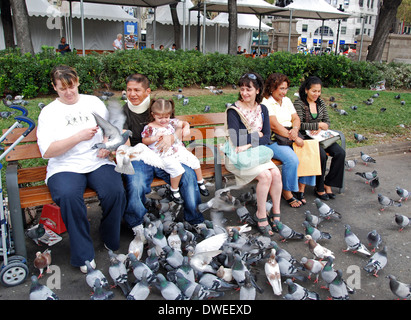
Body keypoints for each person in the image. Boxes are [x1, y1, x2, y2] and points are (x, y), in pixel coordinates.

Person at [36, 65, 126, 273]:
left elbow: (108, 128)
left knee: (115, 191)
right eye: (62, 88)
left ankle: (109, 237)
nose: (68, 92)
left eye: (72, 87)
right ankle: (83, 254)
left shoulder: (92, 102)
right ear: (54, 87)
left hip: (96, 160)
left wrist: (106, 144)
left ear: (78, 82)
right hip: (64, 166)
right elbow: (48, 151)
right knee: (68, 196)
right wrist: (78, 136)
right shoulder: (49, 113)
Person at [121, 73, 205, 238]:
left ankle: (194, 219)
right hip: (140, 156)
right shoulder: (125, 111)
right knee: (135, 182)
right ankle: (136, 224)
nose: (132, 94)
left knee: (188, 175)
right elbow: (125, 140)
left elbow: (177, 125)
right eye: (129, 90)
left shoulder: (159, 106)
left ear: (147, 91)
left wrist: (173, 136)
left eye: (137, 90)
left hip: (165, 155)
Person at [225, 72, 282, 237]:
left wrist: (250, 142)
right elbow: (236, 140)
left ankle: (276, 212)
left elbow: (267, 137)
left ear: (258, 90)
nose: (244, 93)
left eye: (248, 89)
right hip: (237, 156)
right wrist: (257, 136)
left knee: (276, 174)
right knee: (265, 176)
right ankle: (261, 215)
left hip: (256, 152)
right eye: (242, 89)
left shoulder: (262, 108)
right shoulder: (234, 111)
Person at [262, 73, 316, 208]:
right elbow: (274, 125)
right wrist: (295, 137)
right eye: (281, 88)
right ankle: (287, 191)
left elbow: (296, 118)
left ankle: (300, 188)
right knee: (292, 159)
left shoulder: (286, 100)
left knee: (309, 153)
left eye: (286, 88)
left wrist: (295, 129)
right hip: (274, 139)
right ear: (271, 88)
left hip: (290, 134)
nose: (284, 92)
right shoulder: (265, 102)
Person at [141, 98, 209, 203]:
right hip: (163, 155)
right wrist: (154, 138)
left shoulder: (172, 122)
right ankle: (174, 190)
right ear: (153, 115)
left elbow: (184, 123)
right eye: (160, 118)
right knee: (178, 170)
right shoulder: (150, 127)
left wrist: (186, 127)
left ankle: (200, 182)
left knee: (194, 161)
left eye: (166, 117)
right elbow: (144, 141)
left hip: (177, 150)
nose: (164, 120)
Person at [294, 76, 346, 200]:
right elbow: (299, 124)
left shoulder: (320, 102)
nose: (316, 94)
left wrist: (322, 127)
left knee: (340, 153)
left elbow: (327, 122)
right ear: (306, 90)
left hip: (321, 137)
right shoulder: (299, 103)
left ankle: (328, 183)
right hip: (306, 137)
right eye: (314, 91)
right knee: (322, 155)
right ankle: (319, 187)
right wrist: (317, 124)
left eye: (319, 91)